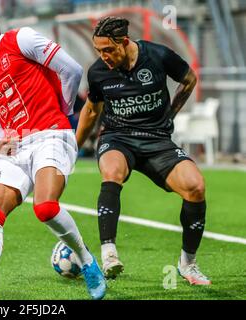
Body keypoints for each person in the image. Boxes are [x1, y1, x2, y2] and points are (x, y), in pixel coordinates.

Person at [0, 11, 106, 300]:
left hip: (51, 135)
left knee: (45, 208)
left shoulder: (20, 39)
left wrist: (62, 111)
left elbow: (72, 70)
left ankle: (86, 260)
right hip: (15, 147)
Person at [76, 16, 211, 285]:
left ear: (125, 42)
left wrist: (170, 113)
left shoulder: (158, 56)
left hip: (157, 141)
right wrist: (72, 148)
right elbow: (91, 111)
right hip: (118, 137)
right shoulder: (98, 72)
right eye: (98, 50)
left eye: (108, 50)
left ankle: (188, 263)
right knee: (111, 171)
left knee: (195, 187)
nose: (103, 56)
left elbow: (189, 79)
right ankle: (109, 253)